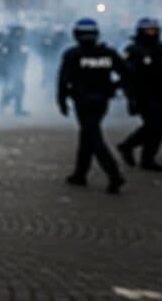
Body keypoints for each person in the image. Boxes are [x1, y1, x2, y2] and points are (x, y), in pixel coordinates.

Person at [56, 18, 126, 194]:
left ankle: (114, 174)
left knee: (93, 137)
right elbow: (127, 73)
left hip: (83, 101)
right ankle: (80, 174)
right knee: (87, 135)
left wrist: (62, 101)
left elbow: (63, 81)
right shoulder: (107, 53)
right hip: (101, 101)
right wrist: (114, 87)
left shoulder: (73, 54)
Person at [116, 17, 162, 172]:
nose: (152, 33)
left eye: (154, 30)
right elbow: (127, 74)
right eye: (149, 30)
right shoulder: (133, 50)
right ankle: (128, 146)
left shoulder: (161, 48)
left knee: (158, 127)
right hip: (143, 95)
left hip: (160, 94)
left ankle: (147, 159)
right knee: (155, 124)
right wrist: (131, 96)